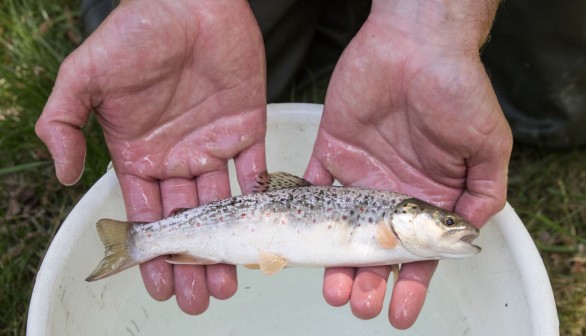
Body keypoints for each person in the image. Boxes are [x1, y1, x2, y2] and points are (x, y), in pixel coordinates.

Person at [35, 0, 512, 330]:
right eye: (447, 222)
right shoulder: (390, 224)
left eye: (449, 221)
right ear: (404, 220)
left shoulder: (395, 227)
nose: (458, 226)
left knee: (549, 110)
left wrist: (434, 28)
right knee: (271, 64)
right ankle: (142, 239)